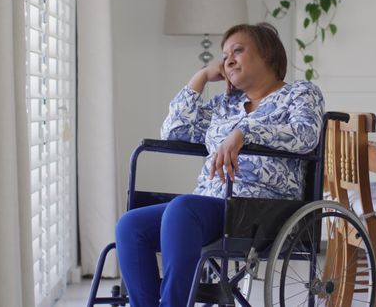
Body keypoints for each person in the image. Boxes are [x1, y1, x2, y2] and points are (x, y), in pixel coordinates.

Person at [115, 22, 325, 307]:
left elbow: (306, 136)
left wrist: (244, 133)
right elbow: (174, 130)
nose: (228, 60)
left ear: (268, 54)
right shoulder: (226, 103)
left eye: (238, 50)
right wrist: (200, 77)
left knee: (182, 209)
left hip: (263, 207)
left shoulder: (300, 93)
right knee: (131, 225)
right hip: (212, 204)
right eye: (225, 55)